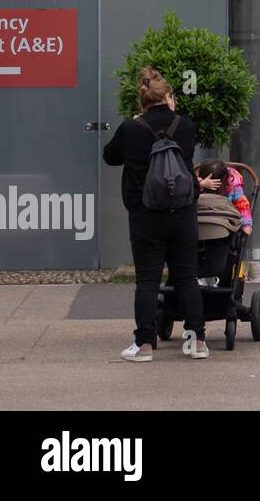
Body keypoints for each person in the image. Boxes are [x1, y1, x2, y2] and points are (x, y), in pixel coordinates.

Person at [102, 67, 211, 362]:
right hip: (183, 212)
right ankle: (197, 341)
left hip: (145, 214)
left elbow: (110, 157)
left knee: (148, 280)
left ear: (143, 101)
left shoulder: (131, 128)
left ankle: (145, 345)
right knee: (187, 277)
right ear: (169, 97)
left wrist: (136, 123)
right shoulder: (185, 125)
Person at [195, 160, 254, 234]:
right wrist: (200, 185)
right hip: (202, 222)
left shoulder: (233, 188)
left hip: (226, 224)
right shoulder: (197, 185)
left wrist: (246, 224)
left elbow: (242, 206)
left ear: (225, 180)